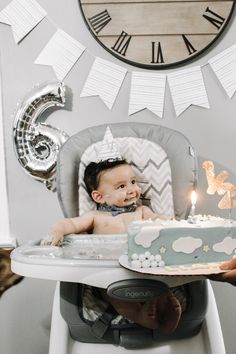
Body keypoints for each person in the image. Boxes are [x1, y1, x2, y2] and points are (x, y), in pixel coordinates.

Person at [49, 158, 186, 334]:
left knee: (160, 286)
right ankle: (139, 316)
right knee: (116, 298)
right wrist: (58, 231)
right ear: (99, 196)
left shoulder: (142, 211)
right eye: (121, 186)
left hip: (144, 269)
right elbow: (70, 225)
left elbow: (160, 222)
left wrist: (172, 223)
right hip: (109, 277)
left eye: (133, 182)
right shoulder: (95, 217)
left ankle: (166, 310)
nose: (132, 190)